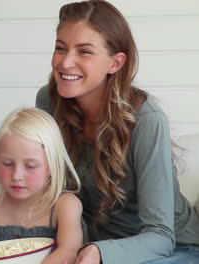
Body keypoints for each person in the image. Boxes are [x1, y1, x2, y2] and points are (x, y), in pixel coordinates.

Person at [35, 1, 199, 263]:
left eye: (84, 52)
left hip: (173, 250)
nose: (66, 63)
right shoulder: (48, 101)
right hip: (89, 248)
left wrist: (101, 252)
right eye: (60, 48)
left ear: (115, 63)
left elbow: (161, 236)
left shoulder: (147, 119)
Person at [0, 107, 83, 264]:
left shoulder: (65, 205)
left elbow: (68, 252)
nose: (17, 176)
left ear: (52, 166)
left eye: (30, 166)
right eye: (7, 164)